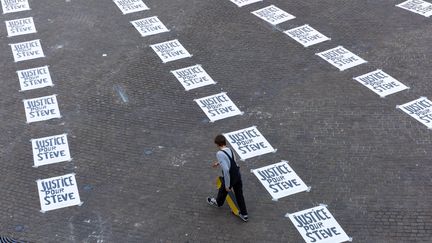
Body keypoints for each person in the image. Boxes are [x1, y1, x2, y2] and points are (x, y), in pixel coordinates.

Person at [207, 134, 248, 222]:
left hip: (230, 176)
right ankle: (244, 214)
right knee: (239, 194)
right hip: (237, 174)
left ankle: (218, 202)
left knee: (223, 187)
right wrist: (218, 163)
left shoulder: (219, 153)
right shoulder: (230, 149)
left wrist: (227, 185)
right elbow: (231, 161)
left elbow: (226, 170)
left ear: (217, 144)